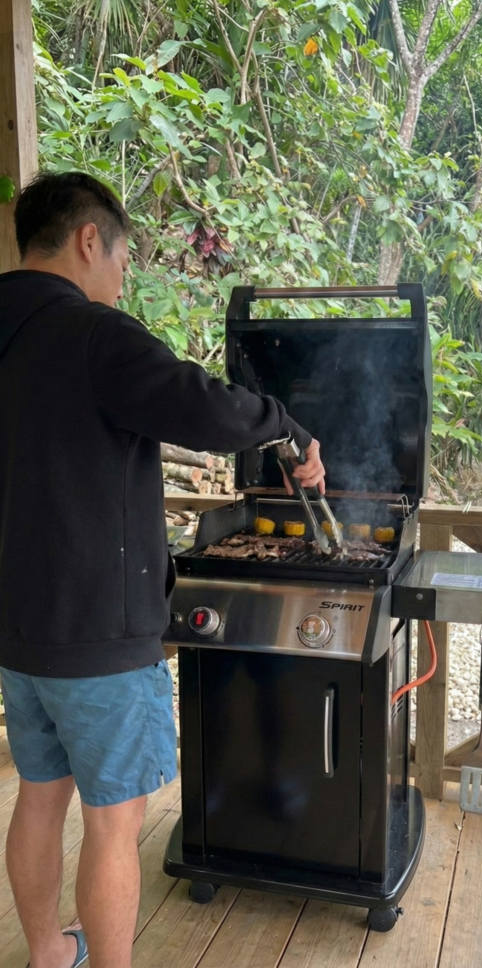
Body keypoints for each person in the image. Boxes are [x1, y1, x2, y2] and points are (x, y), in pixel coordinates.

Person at [0, 171, 325, 968]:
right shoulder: (92, 334)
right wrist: (285, 430)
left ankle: (48, 952)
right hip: (99, 635)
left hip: (16, 631)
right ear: (88, 240)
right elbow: (202, 405)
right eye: (122, 259)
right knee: (114, 824)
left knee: (39, 797)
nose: (122, 278)